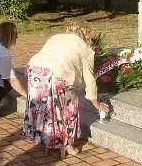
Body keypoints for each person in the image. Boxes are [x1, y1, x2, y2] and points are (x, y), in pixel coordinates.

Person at [23, 22, 110, 158]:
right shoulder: (84, 48)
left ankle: (46, 140)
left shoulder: (56, 37)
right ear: (86, 36)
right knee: (67, 109)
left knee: (43, 108)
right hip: (58, 73)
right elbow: (90, 79)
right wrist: (96, 103)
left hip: (34, 69)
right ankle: (67, 145)